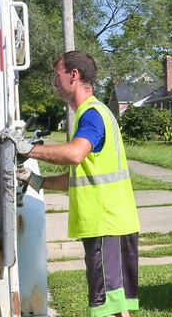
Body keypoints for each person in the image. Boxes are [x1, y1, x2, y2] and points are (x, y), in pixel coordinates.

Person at [16, 51, 140, 317]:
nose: (53, 81)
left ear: (74, 75)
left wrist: (27, 149)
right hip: (108, 224)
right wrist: (39, 181)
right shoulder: (93, 113)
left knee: (110, 308)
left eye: (56, 74)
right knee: (112, 306)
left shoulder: (92, 115)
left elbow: (75, 154)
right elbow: (84, 176)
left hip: (106, 224)